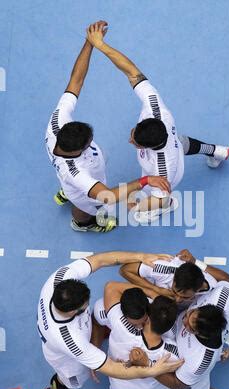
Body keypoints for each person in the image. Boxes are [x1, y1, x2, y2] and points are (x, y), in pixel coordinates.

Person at [86, 21, 229, 223]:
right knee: (181, 142)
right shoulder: (155, 108)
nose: (130, 140)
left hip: (168, 178)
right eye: (133, 133)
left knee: (137, 208)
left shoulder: (161, 168)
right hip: (173, 142)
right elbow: (131, 71)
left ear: (149, 147)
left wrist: (134, 202)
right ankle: (218, 151)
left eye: (134, 141)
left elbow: (160, 195)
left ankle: (171, 206)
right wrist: (100, 45)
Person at [46, 21, 170, 233]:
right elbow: (109, 196)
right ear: (78, 151)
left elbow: (76, 81)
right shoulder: (78, 174)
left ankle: (66, 192)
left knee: (74, 188)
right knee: (84, 206)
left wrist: (89, 43)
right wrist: (146, 180)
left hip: (79, 179)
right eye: (89, 142)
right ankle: (82, 223)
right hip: (83, 188)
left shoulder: (57, 123)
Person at [37, 251, 183, 389]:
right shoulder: (71, 341)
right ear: (73, 312)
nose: (89, 305)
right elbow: (111, 367)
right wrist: (150, 370)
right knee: (70, 380)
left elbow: (99, 260)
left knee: (97, 321)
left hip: (81, 333)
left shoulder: (60, 278)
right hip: (68, 359)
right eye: (85, 306)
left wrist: (141, 257)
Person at [102, 281, 193, 389]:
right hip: (151, 385)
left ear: (149, 316)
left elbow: (110, 286)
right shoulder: (172, 350)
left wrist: (151, 291)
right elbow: (181, 371)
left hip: (120, 375)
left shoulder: (118, 319)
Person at [120, 249, 229, 344]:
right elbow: (125, 270)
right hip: (158, 299)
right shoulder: (165, 268)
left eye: (184, 297)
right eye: (175, 291)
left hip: (189, 311)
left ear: (199, 288)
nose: (177, 299)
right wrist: (155, 290)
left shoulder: (211, 289)